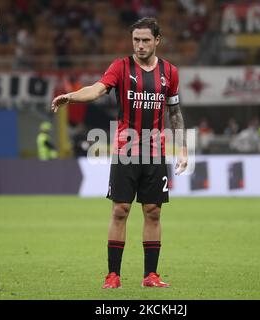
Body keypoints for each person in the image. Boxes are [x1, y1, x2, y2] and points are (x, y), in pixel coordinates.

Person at [51, 17, 188, 289]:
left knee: (153, 212)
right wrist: (72, 96)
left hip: (155, 153)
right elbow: (97, 90)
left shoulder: (170, 72)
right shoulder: (120, 67)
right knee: (120, 210)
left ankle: (151, 276)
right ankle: (113, 275)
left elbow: (175, 112)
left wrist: (182, 147)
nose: (140, 45)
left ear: (157, 41)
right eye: (136, 40)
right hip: (126, 150)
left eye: (146, 40)